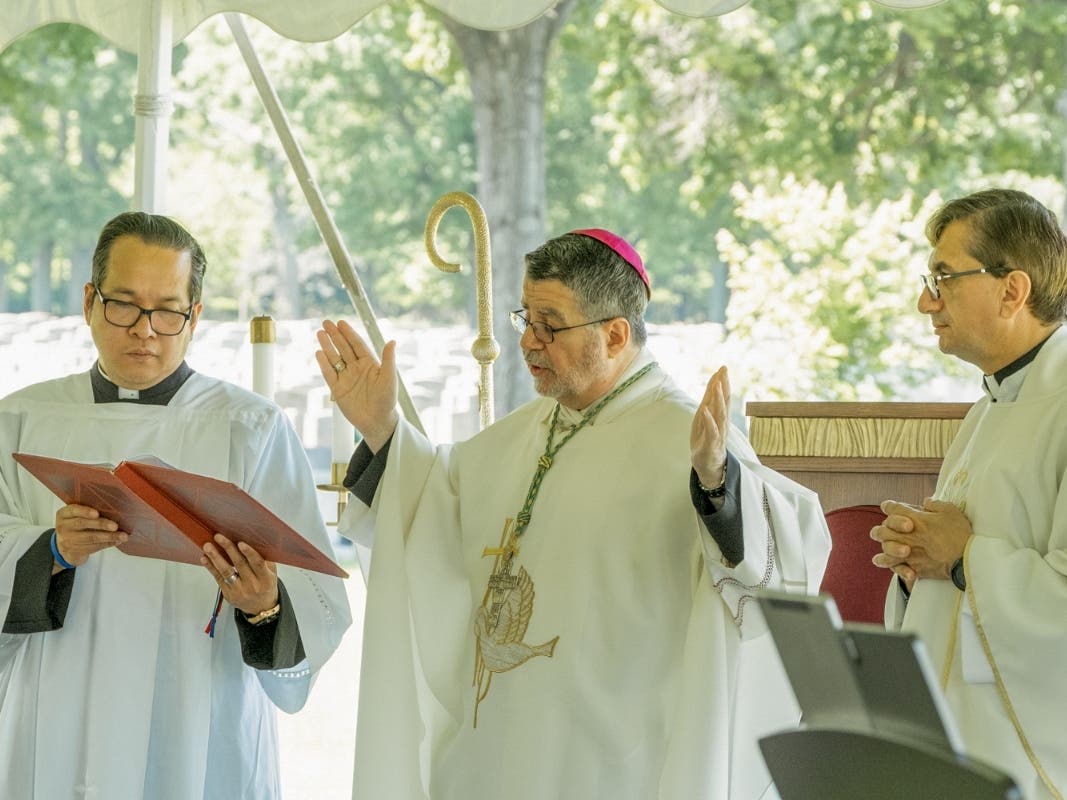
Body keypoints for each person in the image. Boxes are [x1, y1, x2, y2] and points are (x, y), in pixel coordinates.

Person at [317, 228, 831, 800]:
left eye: (550, 325)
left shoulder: (687, 438)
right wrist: (382, 430)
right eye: (525, 319)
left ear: (614, 334)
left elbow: (785, 559)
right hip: (498, 759)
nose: (528, 342)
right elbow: (432, 506)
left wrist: (717, 490)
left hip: (616, 766)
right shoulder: (521, 434)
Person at [0, 211, 352, 799]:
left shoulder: (250, 429)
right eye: (124, 304)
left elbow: (316, 592)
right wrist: (51, 551)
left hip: (198, 715)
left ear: (195, 316)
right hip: (56, 713)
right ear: (90, 300)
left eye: (168, 309)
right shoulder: (22, 420)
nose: (145, 329)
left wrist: (263, 604)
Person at [872, 189, 1067, 798]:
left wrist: (962, 559)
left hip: (1024, 756)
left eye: (944, 277)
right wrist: (916, 566)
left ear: (1013, 290)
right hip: (957, 740)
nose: (926, 301)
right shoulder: (988, 408)